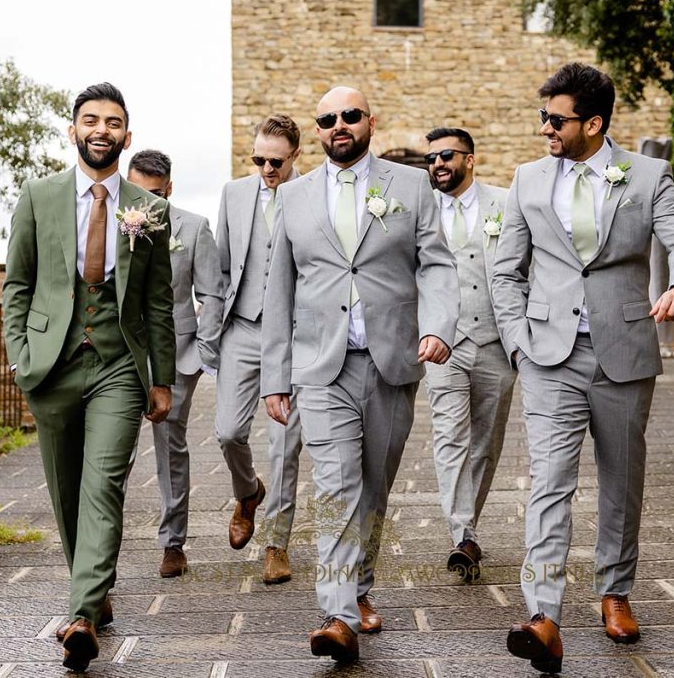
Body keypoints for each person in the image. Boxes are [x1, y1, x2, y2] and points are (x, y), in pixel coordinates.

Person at [491, 63, 674, 674]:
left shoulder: (647, 176)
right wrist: (517, 344)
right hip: (547, 356)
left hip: (624, 352)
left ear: (593, 123)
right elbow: (506, 270)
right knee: (549, 482)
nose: (544, 129)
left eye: (555, 119)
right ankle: (543, 614)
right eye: (543, 117)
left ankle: (615, 592)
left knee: (621, 479)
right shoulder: (527, 179)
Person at [261, 86, 459, 663]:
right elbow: (279, 291)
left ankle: (360, 583)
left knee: (373, 485)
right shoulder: (293, 197)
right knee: (336, 484)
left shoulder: (411, 186)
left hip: (392, 361)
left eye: (350, 115)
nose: (338, 125)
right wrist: (277, 376)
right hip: (321, 368)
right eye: (327, 119)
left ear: (369, 121)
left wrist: (440, 325)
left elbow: (439, 265)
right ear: (317, 131)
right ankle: (339, 612)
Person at [3, 83, 175, 672]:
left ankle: (80, 614)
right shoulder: (38, 196)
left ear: (127, 135)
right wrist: (21, 357)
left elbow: (157, 302)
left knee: (104, 483)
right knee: (66, 492)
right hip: (51, 365)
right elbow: (16, 285)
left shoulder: (149, 209)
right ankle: (95, 596)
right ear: (73, 130)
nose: (101, 129)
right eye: (90, 119)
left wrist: (162, 379)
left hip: (118, 367)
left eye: (113, 122)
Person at [213, 115, 305, 584]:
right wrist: (216, 331)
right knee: (228, 431)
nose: (267, 169)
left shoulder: (310, 194)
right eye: (259, 160)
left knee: (286, 445)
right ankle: (248, 492)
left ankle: (277, 543)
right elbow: (221, 270)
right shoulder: (233, 194)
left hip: (291, 337)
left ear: (295, 156)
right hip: (243, 330)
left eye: (276, 161)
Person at [422, 127, 516, 582]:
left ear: (470, 159)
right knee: (449, 437)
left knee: (486, 442)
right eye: (431, 158)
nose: (437, 164)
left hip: (498, 343)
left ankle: (468, 528)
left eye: (446, 155)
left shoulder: (505, 203)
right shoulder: (419, 212)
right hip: (444, 344)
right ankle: (462, 533)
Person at [127, 149, 223, 579]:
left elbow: (213, 293)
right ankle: (101, 545)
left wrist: (203, 350)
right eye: (136, 191)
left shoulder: (195, 227)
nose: (145, 201)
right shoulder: (110, 224)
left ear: (169, 189)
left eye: (155, 194)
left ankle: (173, 542)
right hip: (124, 355)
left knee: (170, 449)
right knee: (116, 452)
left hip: (180, 354)